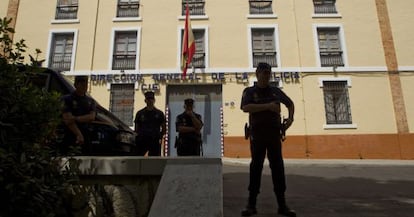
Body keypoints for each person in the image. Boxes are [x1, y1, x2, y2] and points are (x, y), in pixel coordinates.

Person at [240, 62, 296, 217]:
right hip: (257, 135)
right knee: (255, 168)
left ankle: (282, 205)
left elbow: (290, 104)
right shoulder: (250, 91)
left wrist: (290, 119)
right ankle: (251, 205)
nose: (265, 75)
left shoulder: (276, 91)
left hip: (273, 135)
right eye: (263, 73)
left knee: (278, 168)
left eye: (268, 73)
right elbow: (245, 107)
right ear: (257, 74)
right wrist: (268, 107)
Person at [62, 75, 96, 154]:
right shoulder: (67, 99)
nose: (85, 87)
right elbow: (67, 119)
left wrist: (76, 118)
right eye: (82, 84)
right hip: (71, 134)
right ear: (76, 85)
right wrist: (79, 134)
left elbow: (91, 117)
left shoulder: (90, 101)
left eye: (86, 84)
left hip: (86, 135)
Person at [134, 91, 166, 156]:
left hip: (155, 140)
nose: (150, 101)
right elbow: (136, 129)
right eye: (148, 99)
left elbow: (164, 128)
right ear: (145, 100)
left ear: (154, 100)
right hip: (142, 140)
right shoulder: (140, 113)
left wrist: (160, 137)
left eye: (151, 99)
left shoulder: (159, 113)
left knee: (154, 161)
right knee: (139, 159)